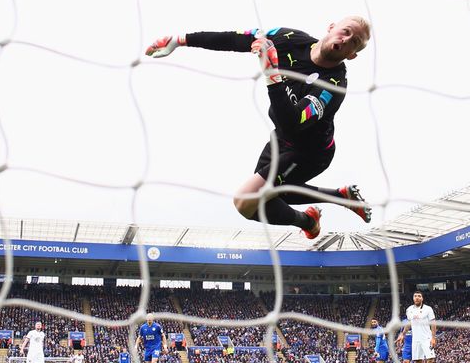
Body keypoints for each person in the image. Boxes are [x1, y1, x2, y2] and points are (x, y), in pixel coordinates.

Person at [145, 17, 373, 238]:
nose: (346, 39)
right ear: (332, 27)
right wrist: (179, 40)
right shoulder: (288, 38)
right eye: (346, 31)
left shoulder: (333, 86)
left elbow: (293, 123)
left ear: (352, 55)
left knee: (245, 201)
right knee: (266, 198)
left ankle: (309, 221)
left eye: (354, 42)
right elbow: (236, 39)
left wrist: (272, 75)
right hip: (280, 141)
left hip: (309, 153)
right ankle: (339, 198)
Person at [397, 291, 436, 363]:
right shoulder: (409, 310)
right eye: (415, 296)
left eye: (419, 296)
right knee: (417, 360)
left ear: (422, 298)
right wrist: (403, 334)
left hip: (426, 338)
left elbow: (433, 324)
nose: (417, 298)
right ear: (413, 298)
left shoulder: (428, 309)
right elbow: (408, 324)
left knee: (430, 359)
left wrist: (433, 338)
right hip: (415, 339)